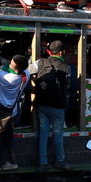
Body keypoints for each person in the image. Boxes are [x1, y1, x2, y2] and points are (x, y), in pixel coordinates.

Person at [31, 40, 72, 171]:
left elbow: (27, 71)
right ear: (61, 52)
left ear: (49, 51)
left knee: (43, 133)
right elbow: (68, 86)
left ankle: (43, 163)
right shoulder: (67, 67)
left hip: (42, 104)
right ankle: (60, 160)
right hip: (58, 106)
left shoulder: (41, 62)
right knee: (58, 133)